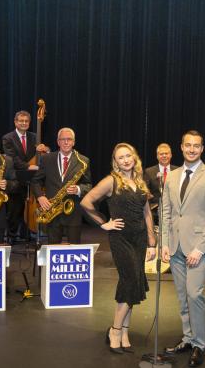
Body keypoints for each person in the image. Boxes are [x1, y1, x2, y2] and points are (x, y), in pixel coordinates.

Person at [81, 143, 157, 354]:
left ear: (134, 157)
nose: (125, 160)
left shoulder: (141, 181)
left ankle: (124, 331)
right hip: (121, 238)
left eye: (128, 156)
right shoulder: (111, 181)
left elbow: (147, 211)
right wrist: (103, 223)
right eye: (120, 157)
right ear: (116, 161)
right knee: (130, 280)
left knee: (133, 285)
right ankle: (114, 330)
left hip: (140, 238)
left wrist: (152, 239)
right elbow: (86, 202)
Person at [161, 130, 205, 367]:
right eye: (188, 145)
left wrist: (201, 248)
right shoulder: (172, 176)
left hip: (197, 247)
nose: (191, 149)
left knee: (195, 294)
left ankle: (198, 344)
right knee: (181, 296)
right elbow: (167, 212)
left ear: (202, 148)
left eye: (196, 146)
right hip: (175, 246)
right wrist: (165, 244)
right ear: (181, 147)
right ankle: (187, 337)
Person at [32, 128, 92, 244]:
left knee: (74, 250)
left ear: (73, 142)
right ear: (58, 142)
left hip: (73, 212)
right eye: (63, 139)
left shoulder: (83, 161)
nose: (66, 142)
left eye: (69, 139)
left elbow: (88, 185)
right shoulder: (46, 159)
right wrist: (40, 197)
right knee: (53, 249)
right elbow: (35, 181)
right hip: (52, 211)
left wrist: (78, 189)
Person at [0, 110, 49, 241]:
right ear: (15, 122)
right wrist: (28, 166)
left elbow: (45, 155)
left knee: (28, 207)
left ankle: (26, 234)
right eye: (21, 121)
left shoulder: (35, 137)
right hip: (16, 177)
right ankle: (11, 236)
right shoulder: (7, 138)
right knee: (14, 209)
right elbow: (12, 158)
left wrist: (45, 150)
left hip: (32, 179)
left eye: (26, 121)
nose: (24, 123)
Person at [143, 143, 179, 217]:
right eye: (161, 154)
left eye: (166, 153)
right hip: (155, 213)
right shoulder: (149, 172)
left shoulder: (178, 170)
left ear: (171, 155)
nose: (164, 156)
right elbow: (145, 191)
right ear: (157, 156)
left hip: (175, 212)